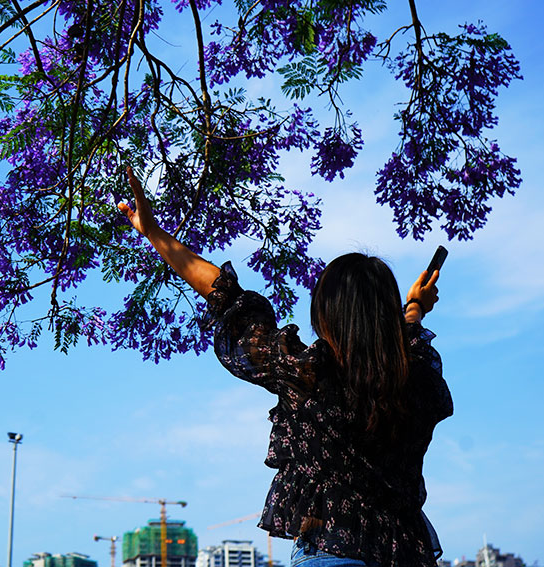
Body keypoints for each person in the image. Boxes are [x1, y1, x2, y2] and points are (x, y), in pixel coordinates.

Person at [119, 168, 453, 567]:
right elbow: (407, 342)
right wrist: (412, 309)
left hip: (329, 553)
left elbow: (225, 296)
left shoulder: (306, 373)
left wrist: (154, 232)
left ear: (325, 313)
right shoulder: (417, 381)